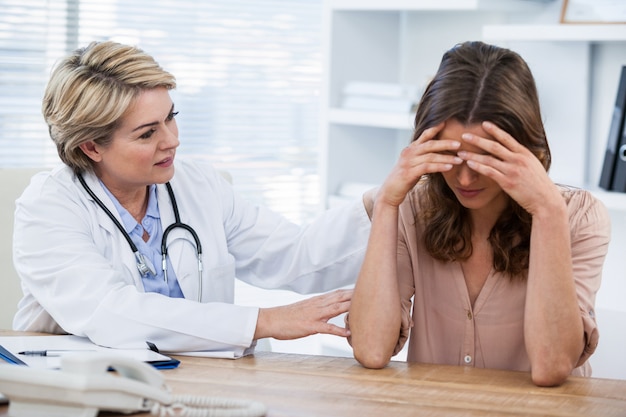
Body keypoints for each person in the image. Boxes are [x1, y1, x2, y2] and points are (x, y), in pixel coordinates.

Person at [12, 40, 373, 357]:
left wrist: (379, 204)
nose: (172, 140)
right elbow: (111, 313)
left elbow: (295, 256)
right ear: (91, 146)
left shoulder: (198, 185)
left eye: (171, 117)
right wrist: (265, 321)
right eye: (147, 133)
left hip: (202, 382)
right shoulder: (48, 208)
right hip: (84, 393)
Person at [346, 41, 611, 387]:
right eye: (452, 159)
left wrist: (547, 212)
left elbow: (551, 367)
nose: (466, 179)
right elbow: (371, 349)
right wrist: (386, 204)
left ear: (524, 148)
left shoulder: (578, 217)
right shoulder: (412, 208)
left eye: (484, 161)